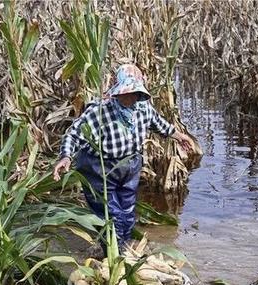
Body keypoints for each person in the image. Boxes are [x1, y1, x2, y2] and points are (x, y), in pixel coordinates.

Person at [52, 64, 192, 255]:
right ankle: (112, 254)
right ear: (117, 91)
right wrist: (66, 157)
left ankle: (123, 249)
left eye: (134, 92)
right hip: (99, 168)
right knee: (110, 215)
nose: (129, 97)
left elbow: (161, 126)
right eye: (126, 92)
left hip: (129, 166)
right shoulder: (99, 111)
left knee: (127, 213)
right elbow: (74, 134)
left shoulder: (143, 109)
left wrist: (180, 136)